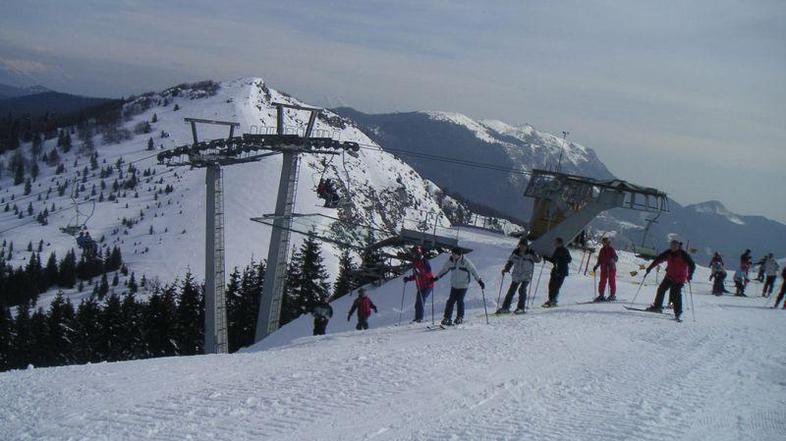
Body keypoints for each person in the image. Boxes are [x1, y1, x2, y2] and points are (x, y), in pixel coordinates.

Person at [644, 240, 695, 321]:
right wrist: (650, 268)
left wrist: (690, 275)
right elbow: (658, 259)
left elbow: (692, 265)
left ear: (678, 246)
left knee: (676, 294)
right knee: (661, 289)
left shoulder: (683, 254)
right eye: (672, 245)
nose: (673, 247)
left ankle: (678, 313)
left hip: (679, 278)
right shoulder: (668, 253)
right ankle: (657, 306)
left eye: (675, 246)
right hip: (670, 276)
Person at [434, 247, 484, 326]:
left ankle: (459, 317)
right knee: (450, 301)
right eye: (452, 254)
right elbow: (444, 269)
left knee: (460, 301)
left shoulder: (465, 262)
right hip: (454, 285)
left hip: (463, 285)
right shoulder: (450, 261)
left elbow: (473, 271)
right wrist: (437, 277)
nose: (453, 256)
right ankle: (447, 318)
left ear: (459, 254)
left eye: (454, 254)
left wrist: (480, 281)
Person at [496, 238, 541, 314]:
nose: (522, 247)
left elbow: (537, 260)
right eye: (521, 245)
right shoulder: (516, 252)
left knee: (522, 290)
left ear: (526, 246)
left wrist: (540, 257)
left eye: (524, 246)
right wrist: (506, 269)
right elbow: (510, 261)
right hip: (517, 275)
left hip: (526, 275)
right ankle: (505, 307)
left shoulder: (531, 252)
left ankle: (521, 308)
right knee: (511, 291)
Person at [403, 246, 434, 322]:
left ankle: (419, 318)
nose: (413, 255)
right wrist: (408, 279)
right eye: (413, 254)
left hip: (428, 285)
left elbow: (428, 272)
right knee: (418, 303)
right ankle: (417, 318)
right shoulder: (415, 262)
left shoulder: (424, 261)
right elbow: (415, 275)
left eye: (414, 253)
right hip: (420, 286)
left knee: (420, 301)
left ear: (418, 253)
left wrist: (419, 272)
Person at [542, 237, 572, 308]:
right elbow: (553, 260)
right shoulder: (557, 250)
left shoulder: (564, 250)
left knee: (556, 286)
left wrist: (562, 257)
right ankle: (551, 300)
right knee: (551, 285)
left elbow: (569, 259)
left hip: (562, 271)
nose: (554, 244)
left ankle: (553, 300)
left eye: (556, 242)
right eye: (555, 242)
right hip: (555, 270)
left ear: (560, 243)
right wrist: (546, 257)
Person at [593, 237, 619, 302]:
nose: (603, 243)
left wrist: (611, 261)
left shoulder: (611, 249)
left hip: (611, 268)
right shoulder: (602, 250)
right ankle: (601, 295)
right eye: (603, 242)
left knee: (611, 281)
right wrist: (596, 266)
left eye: (605, 242)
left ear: (607, 242)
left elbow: (616, 258)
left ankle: (612, 295)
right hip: (604, 268)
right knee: (602, 282)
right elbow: (599, 260)